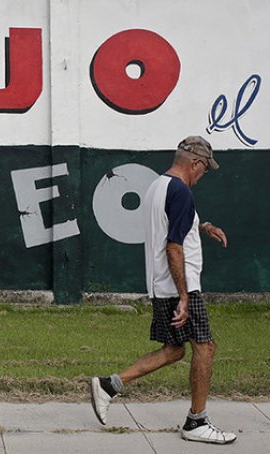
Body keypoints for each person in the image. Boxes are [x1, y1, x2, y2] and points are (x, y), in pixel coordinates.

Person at [90, 136, 236, 445]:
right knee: (206, 347)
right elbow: (173, 247)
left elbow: (171, 226)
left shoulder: (158, 186)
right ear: (195, 163)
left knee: (174, 350)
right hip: (180, 285)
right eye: (205, 169)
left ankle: (109, 385)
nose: (203, 175)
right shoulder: (181, 191)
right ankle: (197, 422)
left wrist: (201, 226)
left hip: (161, 283)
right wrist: (184, 296)